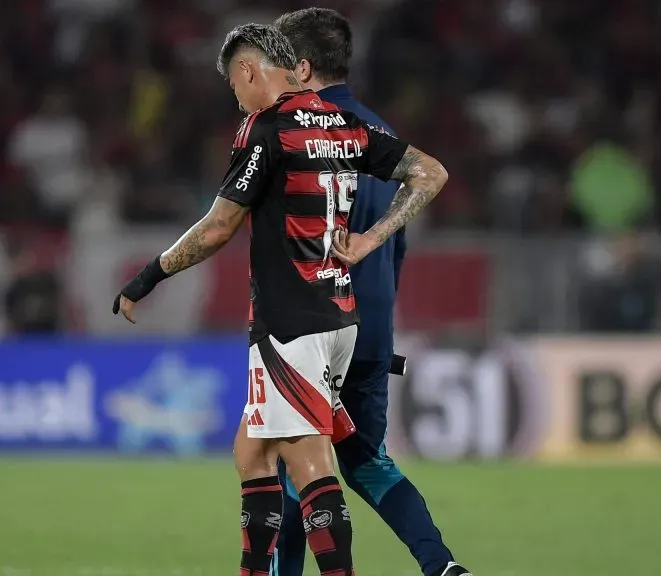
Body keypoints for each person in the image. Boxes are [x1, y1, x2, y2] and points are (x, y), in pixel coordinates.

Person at [114, 24, 448, 576]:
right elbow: (428, 173)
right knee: (251, 451)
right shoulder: (342, 123)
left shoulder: (266, 128)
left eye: (232, 85)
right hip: (338, 316)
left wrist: (150, 274)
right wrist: (371, 238)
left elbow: (220, 226)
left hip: (292, 321)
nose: (236, 97)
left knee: (309, 460)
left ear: (247, 71)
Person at [272, 8, 471, 576]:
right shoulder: (384, 136)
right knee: (366, 460)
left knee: (295, 463)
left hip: (315, 323)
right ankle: (441, 564)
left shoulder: (301, 131)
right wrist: (379, 326)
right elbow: (396, 245)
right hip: (374, 323)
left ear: (302, 66)